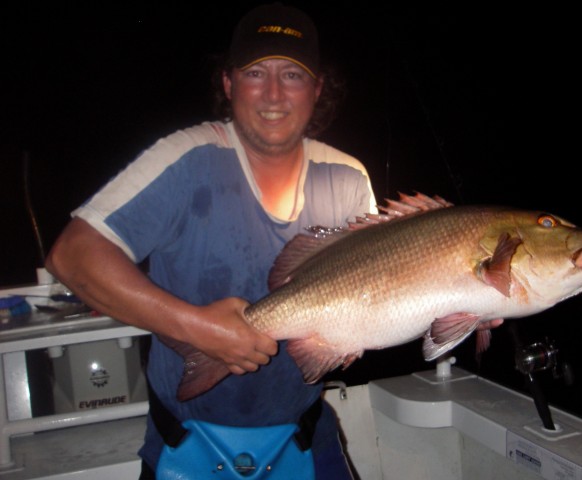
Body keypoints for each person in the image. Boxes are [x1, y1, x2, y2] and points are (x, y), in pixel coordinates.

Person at [46, 3, 377, 479]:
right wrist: (198, 329)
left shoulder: (348, 179)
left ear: (318, 88)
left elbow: (377, 298)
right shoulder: (187, 158)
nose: (273, 94)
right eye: (255, 73)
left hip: (302, 436)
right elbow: (72, 256)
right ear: (228, 83)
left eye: (293, 75)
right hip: (188, 440)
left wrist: (461, 304)